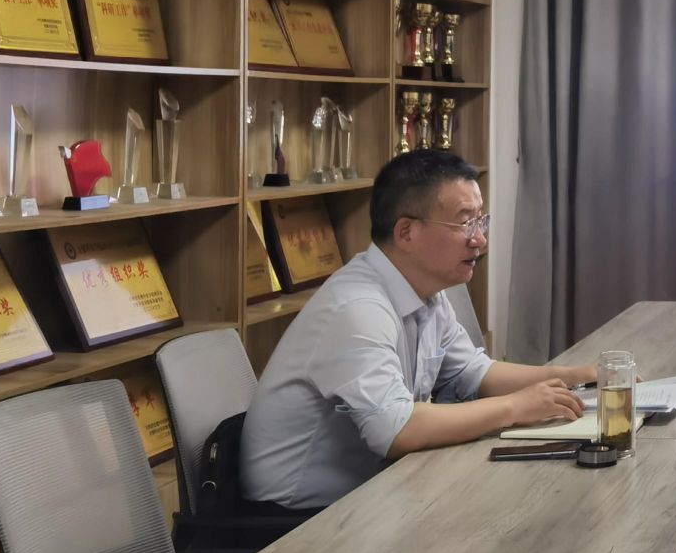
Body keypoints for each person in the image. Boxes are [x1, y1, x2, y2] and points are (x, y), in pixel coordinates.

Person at [243, 150, 597, 510]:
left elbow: (473, 373)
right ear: (406, 232)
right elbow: (395, 429)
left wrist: (578, 376)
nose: (480, 239)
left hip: (372, 493)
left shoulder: (426, 292)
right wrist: (516, 406)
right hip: (295, 520)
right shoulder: (357, 308)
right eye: (464, 223)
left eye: (480, 221)